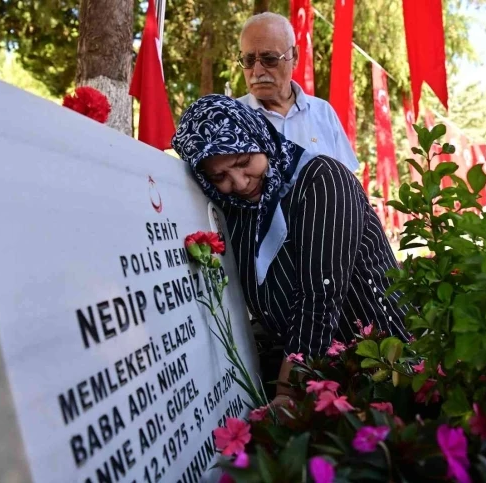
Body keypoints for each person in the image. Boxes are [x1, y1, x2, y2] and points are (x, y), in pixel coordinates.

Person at [172, 95, 410, 404]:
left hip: (384, 368)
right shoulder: (240, 210)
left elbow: (319, 296)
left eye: (243, 162)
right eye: (219, 177)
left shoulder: (323, 181)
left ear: (259, 136)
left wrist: (286, 394)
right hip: (320, 376)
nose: (240, 183)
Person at [236, 12, 359, 172]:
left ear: (294, 56)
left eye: (270, 59)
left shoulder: (322, 112)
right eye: (249, 60)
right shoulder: (231, 118)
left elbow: (347, 182)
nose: (257, 71)